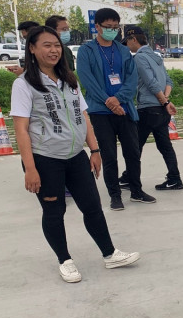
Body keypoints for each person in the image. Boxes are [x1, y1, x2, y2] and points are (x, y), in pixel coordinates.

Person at [10, 26, 140, 283]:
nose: (53, 50)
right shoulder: (24, 85)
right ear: (32, 49)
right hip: (45, 159)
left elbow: (83, 116)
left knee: (92, 206)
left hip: (76, 156)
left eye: (56, 45)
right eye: (46, 45)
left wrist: (94, 149)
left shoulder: (69, 80)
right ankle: (64, 260)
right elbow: (21, 130)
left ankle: (110, 254)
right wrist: (30, 168)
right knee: (54, 211)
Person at [76, 8, 156, 211]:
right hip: (100, 112)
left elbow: (131, 80)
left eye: (115, 27)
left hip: (125, 109)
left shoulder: (122, 51)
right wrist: (108, 101)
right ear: (97, 27)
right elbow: (87, 80)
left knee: (133, 152)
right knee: (109, 154)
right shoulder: (87, 51)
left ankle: (136, 191)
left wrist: (119, 100)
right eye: (108, 27)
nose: (112, 31)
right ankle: (115, 195)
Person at [120, 26, 183, 191]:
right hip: (160, 111)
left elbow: (150, 83)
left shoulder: (139, 58)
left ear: (133, 40)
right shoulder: (156, 56)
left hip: (148, 109)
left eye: (127, 42)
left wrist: (164, 102)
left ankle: (129, 178)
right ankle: (175, 178)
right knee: (164, 145)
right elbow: (169, 81)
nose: (127, 46)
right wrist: (166, 101)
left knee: (135, 146)